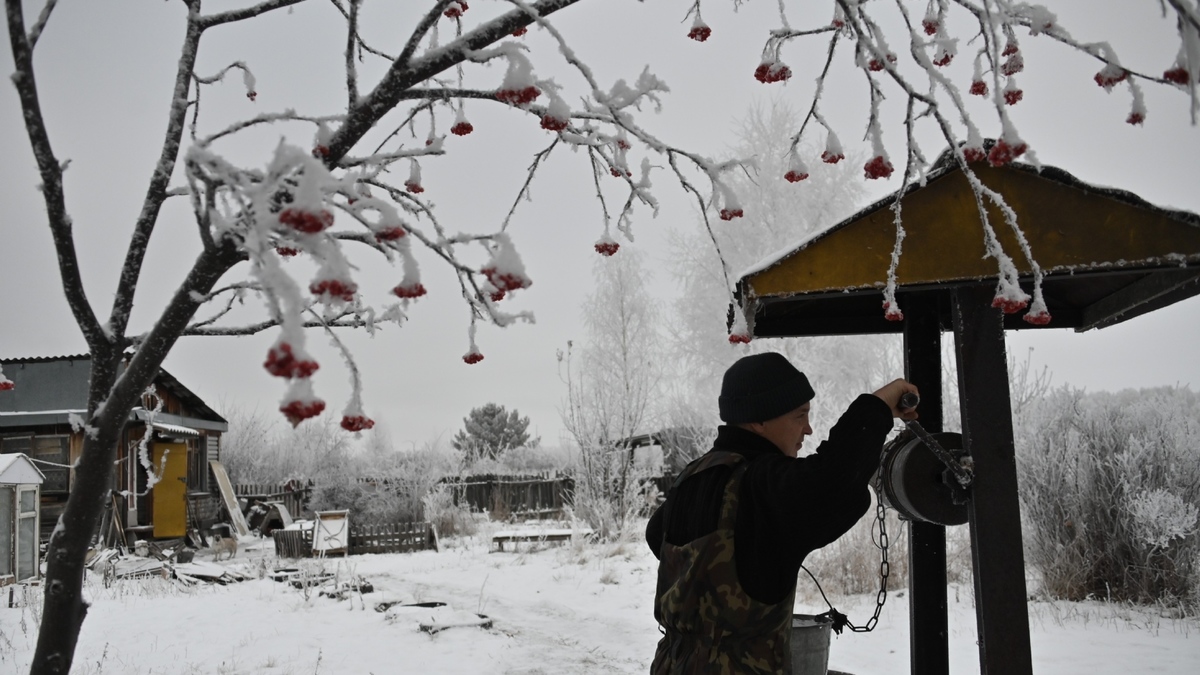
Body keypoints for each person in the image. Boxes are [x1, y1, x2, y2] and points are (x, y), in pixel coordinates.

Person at [645, 351, 918, 674]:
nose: (808, 429)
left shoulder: (692, 478)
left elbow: (655, 535)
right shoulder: (762, 486)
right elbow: (833, 481)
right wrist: (878, 405)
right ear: (759, 420)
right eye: (799, 416)